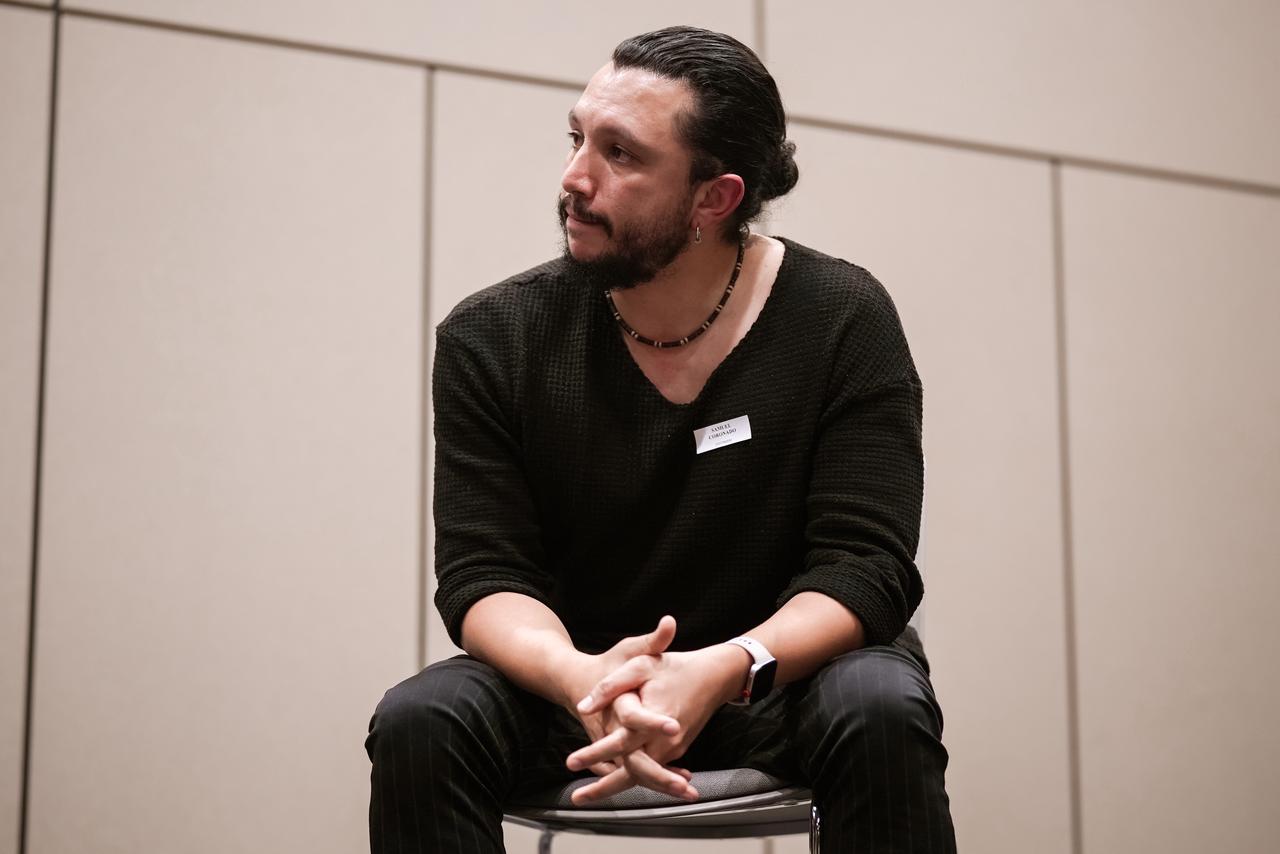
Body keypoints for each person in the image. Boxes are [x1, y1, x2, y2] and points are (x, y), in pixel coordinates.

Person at [366, 25, 956, 853]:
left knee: (879, 705)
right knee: (422, 720)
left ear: (715, 198)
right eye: (577, 138)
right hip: (578, 690)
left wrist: (723, 668)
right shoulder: (492, 337)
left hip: (780, 681)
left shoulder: (842, 317)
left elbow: (866, 565)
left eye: (620, 154)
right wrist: (584, 677)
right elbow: (483, 573)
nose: (575, 178)